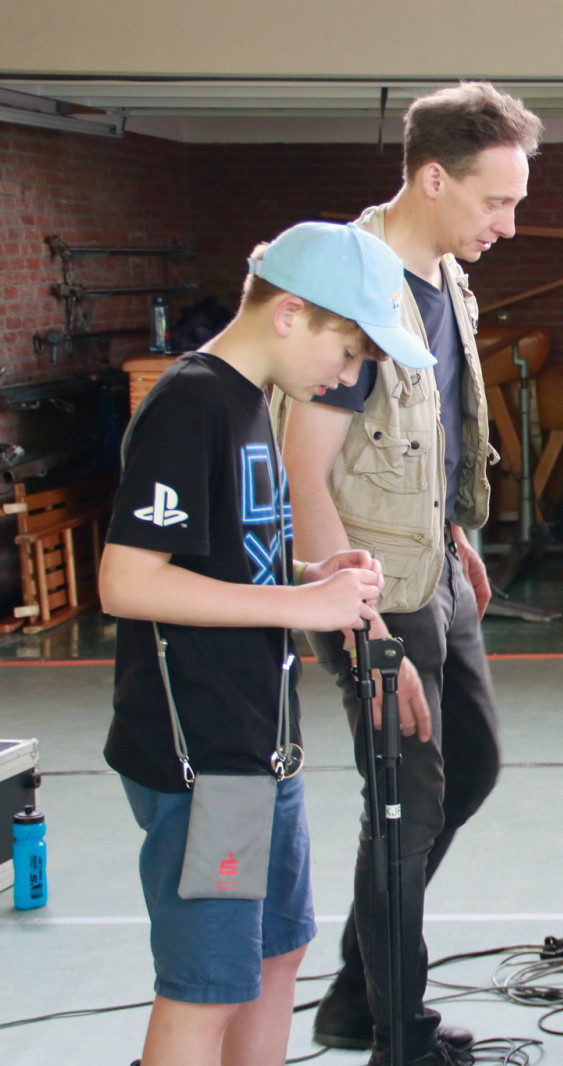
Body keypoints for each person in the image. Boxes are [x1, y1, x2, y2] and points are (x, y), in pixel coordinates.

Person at [101, 221, 433, 1066]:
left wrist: (315, 571)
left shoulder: (250, 399)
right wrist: (302, 602)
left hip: (260, 746)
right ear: (290, 313)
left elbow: (226, 557)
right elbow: (128, 581)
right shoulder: (193, 403)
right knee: (208, 985)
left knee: (278, 951)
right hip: (206, 758)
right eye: (348, 351)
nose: (348, 376)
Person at [277, 82, 543, 1066]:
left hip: (434, 565)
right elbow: (303, 471)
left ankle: (356, 994)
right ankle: (398, 1033)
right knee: (407, 802)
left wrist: (456, 531)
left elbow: (422, 433)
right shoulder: (352, 290)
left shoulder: (447, 277)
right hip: (371, 589)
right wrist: (362, 623)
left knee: (469, 766)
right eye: (494, 202)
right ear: (433, 178)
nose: (506, 225)